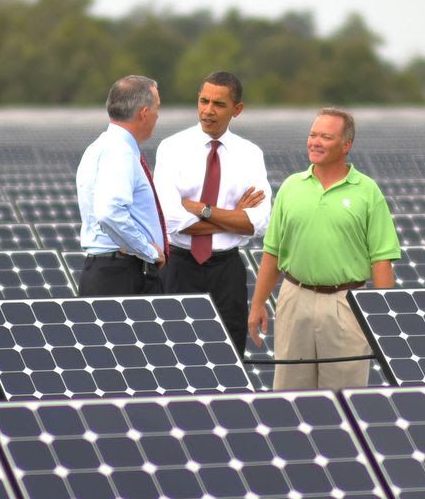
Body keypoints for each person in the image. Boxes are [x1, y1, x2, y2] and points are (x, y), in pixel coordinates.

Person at [248, 107, 400, 390]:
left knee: (345, 395)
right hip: (295, 299)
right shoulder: (292, 187)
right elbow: (273, 253)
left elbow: (382, 261)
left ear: (346, 146)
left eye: (326, 137)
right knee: (289, 394)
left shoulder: (367, 192)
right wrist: (257, 304)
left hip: (347, 303)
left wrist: (381, 318)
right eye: (312, 135)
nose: (315, 142)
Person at [155, 71, 271, 347]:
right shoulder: (171, 148)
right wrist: (234, 218)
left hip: (226, 271)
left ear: (237, 110)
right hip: (179, 268)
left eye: (219, 104)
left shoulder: (250, 154)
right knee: (174, 358)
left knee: (229, 359)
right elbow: (170, 220)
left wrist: (201, 210)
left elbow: (260, 222)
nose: (208, 111)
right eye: (203, 101)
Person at [74, 75, 167, 296]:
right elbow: (109, 212)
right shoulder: (120, 152)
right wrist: (147, 250)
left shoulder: (101, 146)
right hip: (121, 275)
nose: (157, 116)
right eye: (157, 109)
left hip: (109, 271)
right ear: (144, 113)